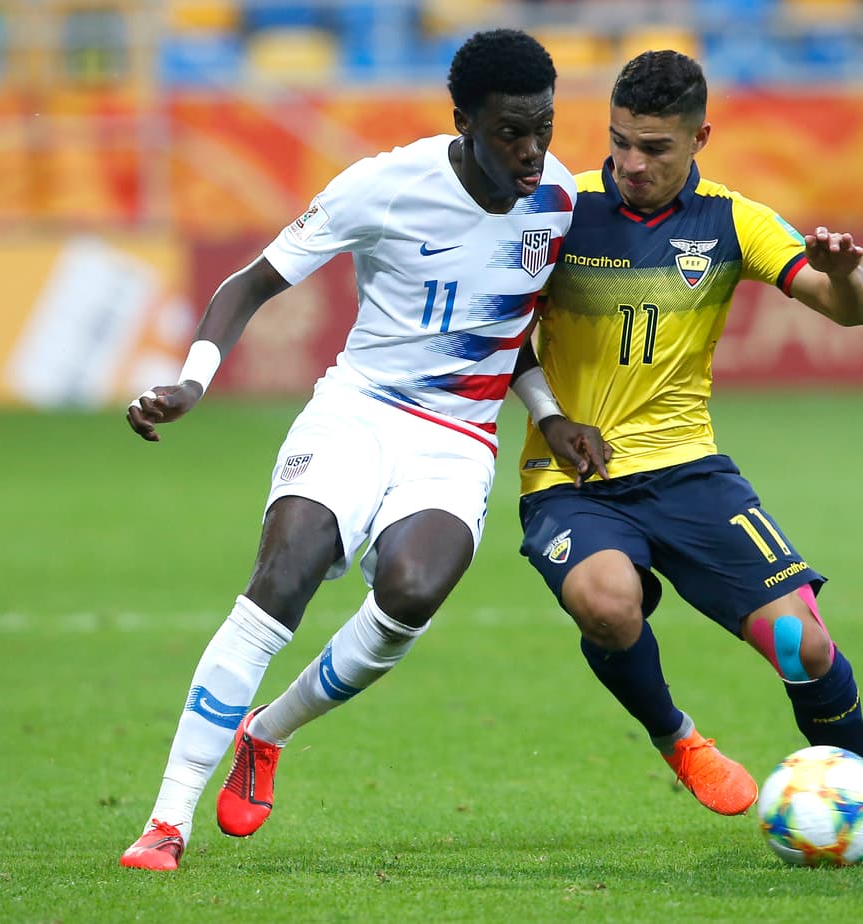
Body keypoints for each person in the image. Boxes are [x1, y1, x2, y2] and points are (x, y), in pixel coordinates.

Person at [119, 28, 608, 871]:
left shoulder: (557, 200)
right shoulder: (382, 187)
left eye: (544, 127)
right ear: (463, 122)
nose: (531, 152)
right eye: (508, 133)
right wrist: (193, 382)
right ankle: (167, 819)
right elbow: (248, 285)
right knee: (284, 575)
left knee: (411, 591)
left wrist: (551, 414)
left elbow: (504, 326)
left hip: (457, 438)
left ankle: (265, 735)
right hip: (358, 411)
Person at [513, 49, 863, 849]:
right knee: (606, 601)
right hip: (571, 478)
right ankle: (677, 739)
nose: (631, 163)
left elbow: (849, 310)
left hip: (689, 471)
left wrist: (849, 275)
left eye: (654, 148)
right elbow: (493, 332)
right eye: (620, 141)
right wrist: (549, 416)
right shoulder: (557, 210)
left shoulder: (734, 221)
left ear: (700, 139)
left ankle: (852, 799)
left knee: (803, 642)